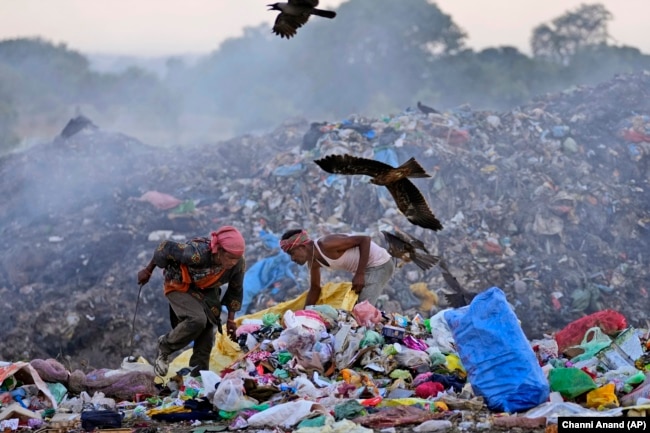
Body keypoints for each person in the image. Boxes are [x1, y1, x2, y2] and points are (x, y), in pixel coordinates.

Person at [137, 226, 246, 377]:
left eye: (236, 259)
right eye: (230, 258)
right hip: (179, 284)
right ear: (219, 250)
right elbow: (164, 248)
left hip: (207, 291)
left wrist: (231, 320)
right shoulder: (196, 254)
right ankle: (165, 346)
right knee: (197, 319)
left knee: (207, 332)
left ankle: (197, 378)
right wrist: (148, 270)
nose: (233, 262)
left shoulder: (238, 264)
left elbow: (236, 289)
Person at [280, 229, 395, 308]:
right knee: (351, 309)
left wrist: (359, 274)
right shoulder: (313, 262)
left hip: (379, 264)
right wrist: (305, 314)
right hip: (366, 269)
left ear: (302, 247)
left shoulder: (326, 244)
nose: (292, 259)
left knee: (361, 311)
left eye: (292, 253)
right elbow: (315, 288)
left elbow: (365, 240)